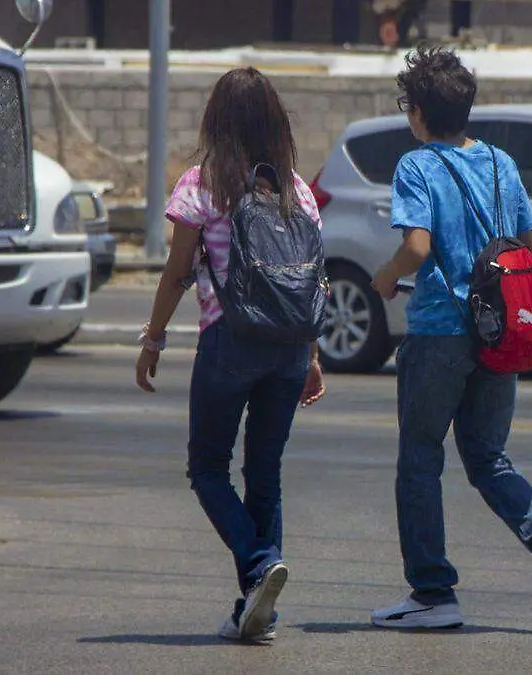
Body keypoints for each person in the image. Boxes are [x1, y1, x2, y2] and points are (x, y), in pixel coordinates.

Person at [369, 46, 532, 629]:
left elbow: (417, 246)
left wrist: (387, 276)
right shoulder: (500, 163)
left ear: (417, 112)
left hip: (440, 330)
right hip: (498, 333)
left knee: (420, 459)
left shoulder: (416, 166)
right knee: (488, 458)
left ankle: (432, 594)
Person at [134, 67, 327, 643]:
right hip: (289, 347)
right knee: (265, 474)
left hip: (230, 340)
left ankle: (261, 564)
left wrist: (153, 339)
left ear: (217, 120)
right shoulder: (296, 191)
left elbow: (177, 273)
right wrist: (312, 356)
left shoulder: (203, 184)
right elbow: (309, 280)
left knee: (207, 469)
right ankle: (257, 611)